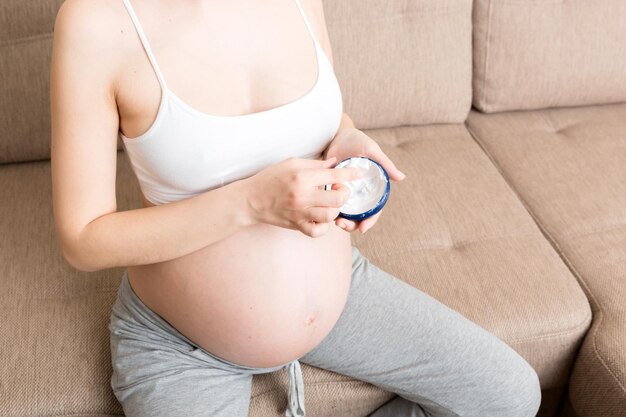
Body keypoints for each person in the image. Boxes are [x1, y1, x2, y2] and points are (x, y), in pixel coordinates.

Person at [50, 0, 542, 416]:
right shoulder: (96, 20)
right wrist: (250, 202)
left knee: (510, 397)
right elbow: (84, 240)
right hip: (181, 342)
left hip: (343, 294)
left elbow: (325, 114)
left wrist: (345, 135)